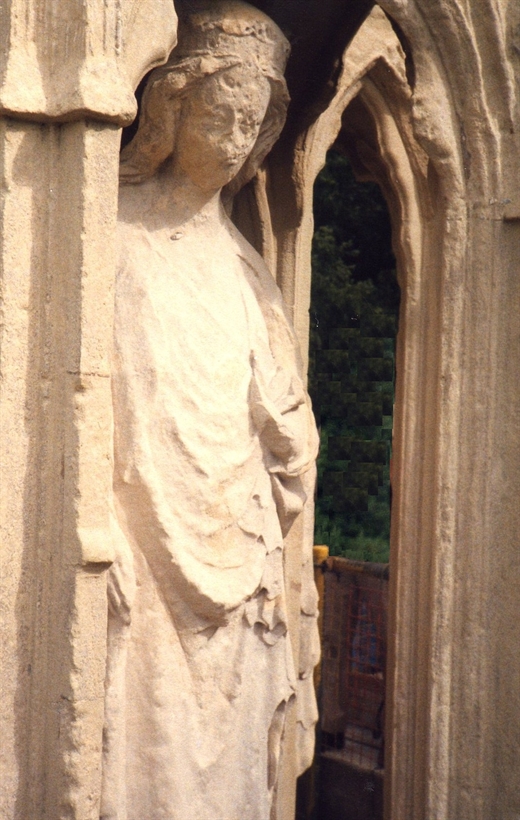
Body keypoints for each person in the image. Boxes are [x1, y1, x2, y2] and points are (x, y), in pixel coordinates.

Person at [101, 3, 319, 818]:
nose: (232, 142)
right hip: (143, 545)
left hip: (239, 541)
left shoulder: (245, 268)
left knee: (228, 765)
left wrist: (291, 446)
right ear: (172, 111)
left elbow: (282, 415)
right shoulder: (110, 238)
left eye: (248, 126)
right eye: (217, 117)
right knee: (138, 740)